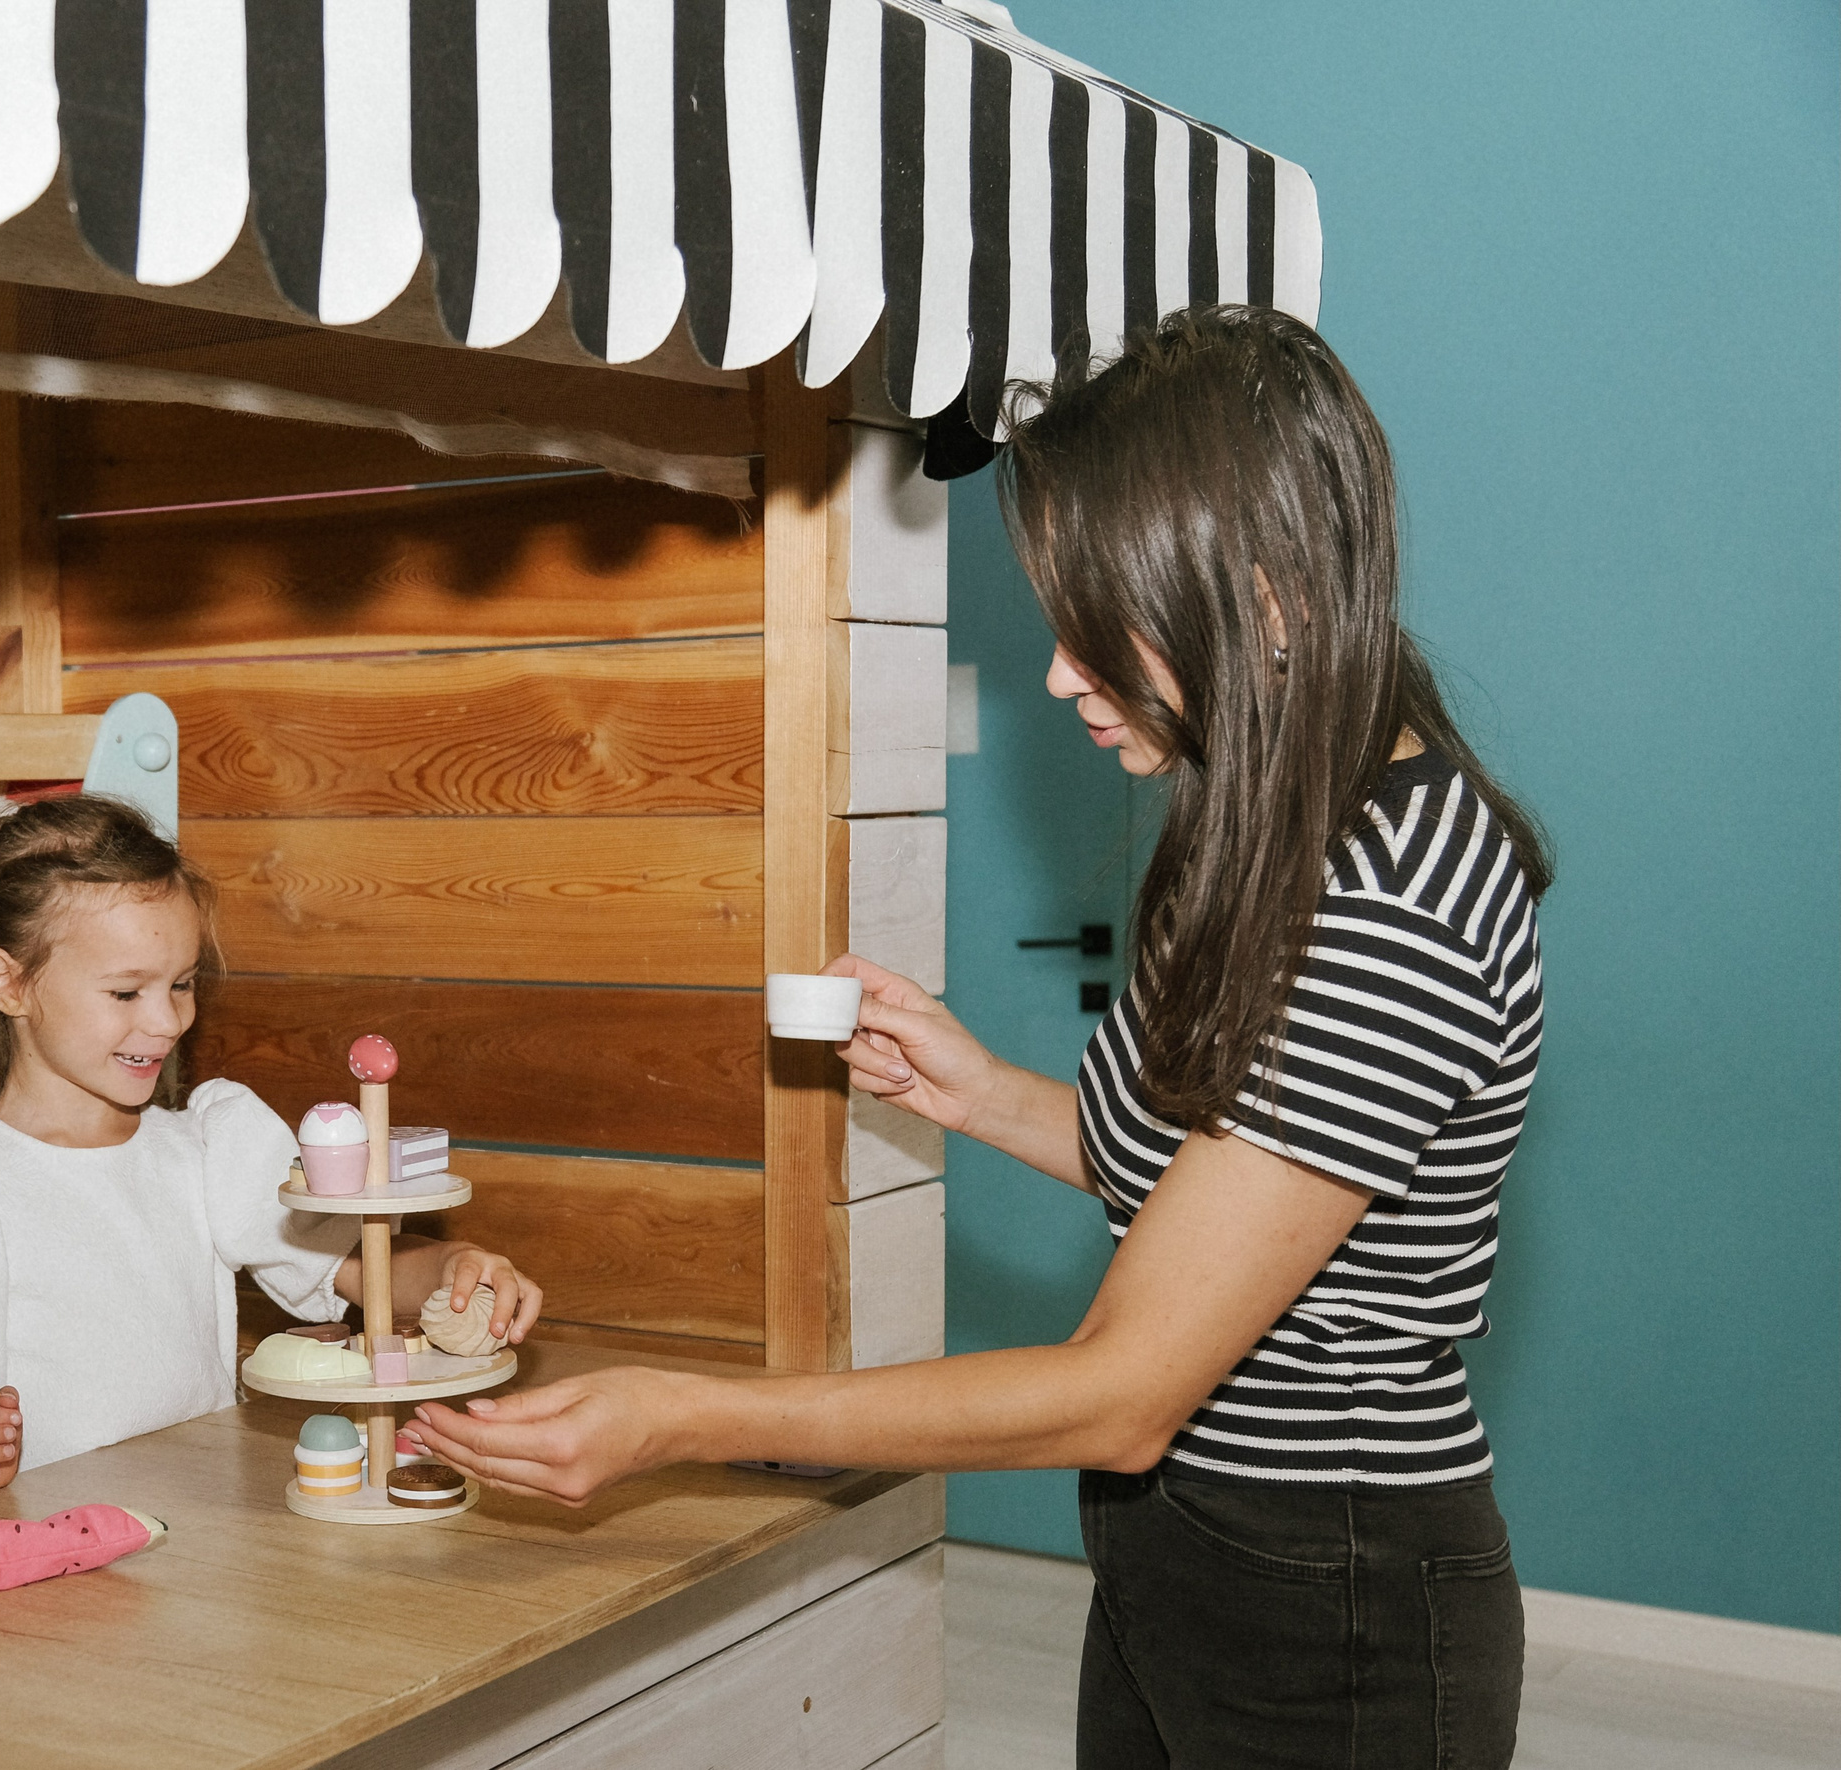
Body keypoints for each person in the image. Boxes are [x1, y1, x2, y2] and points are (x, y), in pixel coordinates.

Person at [412, 306, 1548, 1768]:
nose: (1064, 676)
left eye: (1098, 625)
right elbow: (1228, 1191)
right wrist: (983, 1089)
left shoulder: (1387, 907)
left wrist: (685, 1415)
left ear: (1264, 596)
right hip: (1185, 1554)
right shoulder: (1276, 823)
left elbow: (1123, 1391)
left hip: (1329, 1595)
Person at [0, 793, 543, 1495]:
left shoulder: (204, 1147)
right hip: (50, 1552)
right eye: (126, 992)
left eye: (181, 984)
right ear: (7, 983)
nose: (168, 1020)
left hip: (201, 1540)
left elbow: (359, 1269)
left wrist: (455, 1266)